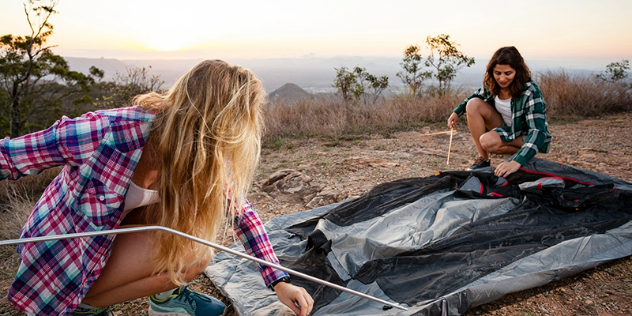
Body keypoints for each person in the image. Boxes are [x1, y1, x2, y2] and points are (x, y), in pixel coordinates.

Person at [0, 60, 314, 316]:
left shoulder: (200, 155)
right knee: (194, 249)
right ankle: (81, 307)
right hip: (63, 257)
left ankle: (165, 299)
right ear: (219, 120)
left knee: (196, 246)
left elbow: (242, 215)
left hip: (107, 242)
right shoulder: (108, 131)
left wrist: (278, 281)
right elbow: (9, 157)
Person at [447, 46, 552, 178]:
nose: (502, 78)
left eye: (508, 73)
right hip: (508, 128)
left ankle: (522, 157)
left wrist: (516, 162)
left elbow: (538, 131)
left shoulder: (530, 91)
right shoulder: (493, 84)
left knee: (487, 141)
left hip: (525, 134)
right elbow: (475, 96)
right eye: (498, 73)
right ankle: (483, 161)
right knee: (473, 104)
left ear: (517, 72)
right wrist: (456, 112)